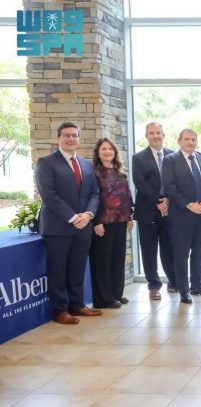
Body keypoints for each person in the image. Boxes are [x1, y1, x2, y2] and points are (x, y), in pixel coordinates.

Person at [36, 121, 102, 324]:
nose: (71, 139)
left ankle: (77, 305)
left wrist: (88, 215)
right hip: (58, 228)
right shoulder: (46, 163)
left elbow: (94, 193)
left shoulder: (86, 164)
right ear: (58, 138)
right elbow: (49, 196)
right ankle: (60, 310)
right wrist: (74, 218)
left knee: (77, 268)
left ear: (79, 139)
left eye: (75, 135)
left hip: (83, 226)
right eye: (67, 135)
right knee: (58, 271)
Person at [162, 128, 201, 304]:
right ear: (179, 141)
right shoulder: (170, 160)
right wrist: (189, 205)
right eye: (187, 139)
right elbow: (170, 187)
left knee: (199, 253)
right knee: (181, 255)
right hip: (181, 217)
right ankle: (184, 291)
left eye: (193, 139)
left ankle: (198, 286)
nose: (190, 142)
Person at [132, 121, 176, 301]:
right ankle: (154, 286)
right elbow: (139, 183)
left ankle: (174, 281)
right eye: (152, 133)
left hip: (170, 211)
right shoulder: (138, 157)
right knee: (149, 251)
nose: (155, 136)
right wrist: (159, 201)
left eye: (158, 132)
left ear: (163, 135)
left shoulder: (173, 155)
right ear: (146, 136)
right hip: (147, 212)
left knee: (169, 249)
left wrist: (168, 200)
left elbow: (178, 181)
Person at [89, 138, 134, 309]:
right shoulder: (94, 173)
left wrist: (129, 216)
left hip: (120, 221)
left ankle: (116, 294)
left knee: (117, 259)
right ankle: (104, 299)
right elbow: (92, 198)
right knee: (103, 261)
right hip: (103, 223)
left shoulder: (119, 172)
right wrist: (96, 221)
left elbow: (126, 196)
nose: (107, 151)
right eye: (104, 149)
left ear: (115, 152)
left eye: (110, 149)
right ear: (98, 153)